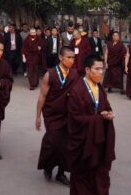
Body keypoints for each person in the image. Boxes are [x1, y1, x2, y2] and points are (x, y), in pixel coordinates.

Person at [68, 55, 116, 195]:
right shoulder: (77, 90)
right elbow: (74, 119)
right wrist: (97, 119)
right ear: (88, 70)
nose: (101, 72)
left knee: (100, 174)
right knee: (83, 178)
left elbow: (105, 106)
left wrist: (109, 114)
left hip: (98, 139)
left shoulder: (99, 87)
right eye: (97, 69)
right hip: (84, 143)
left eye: (102, 69)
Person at [36, 47, 78, 186]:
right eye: (69, 58)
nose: (72, 61)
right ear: (60, 58)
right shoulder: (50, 74)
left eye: (73, 58)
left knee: (67, 144)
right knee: (52, 141)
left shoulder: (74, 74)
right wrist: (38, 116)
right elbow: (42, 96)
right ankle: (48, 167)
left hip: (68, 114)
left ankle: (61, 173)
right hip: (52, 114)